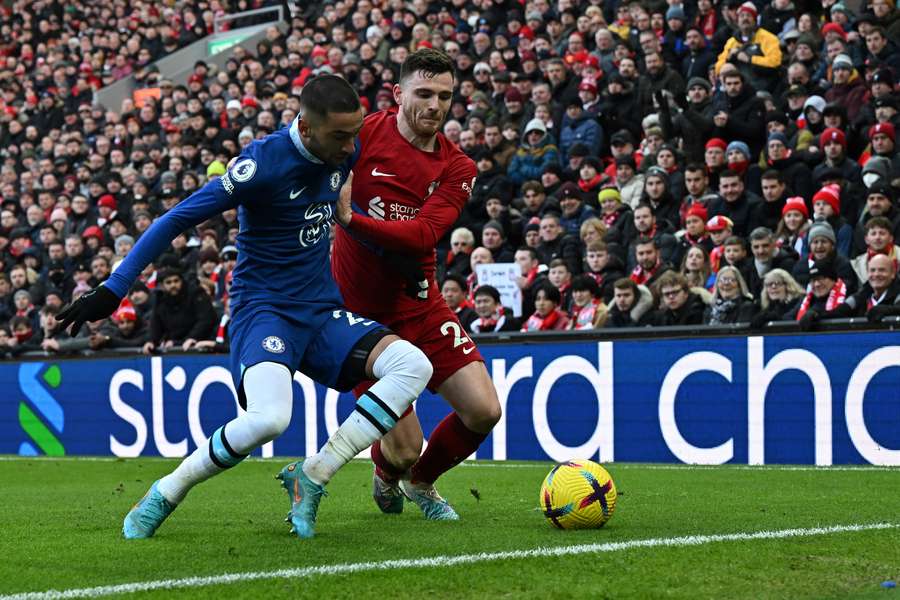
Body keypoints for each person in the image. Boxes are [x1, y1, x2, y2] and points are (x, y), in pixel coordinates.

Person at [55, 76, 434, 540]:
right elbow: (177, 217)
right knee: (270, 419)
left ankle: (313, 473)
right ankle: (166, 491)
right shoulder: (262, 164)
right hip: (265, 311)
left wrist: (400, 261)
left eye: (355, 133)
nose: (351, 146)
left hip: (320, 312)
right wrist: (116, 287)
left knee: (413, 365)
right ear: (307, 128)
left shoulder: (343, 152)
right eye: (340, 136)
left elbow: (342, 214)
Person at [331, 50, 500, 521]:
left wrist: (350, 219)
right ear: (398, 94)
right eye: (424, 93)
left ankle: (423, 484)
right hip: (364, 322)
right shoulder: (362, 135)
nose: (435, 105)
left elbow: (424, 235)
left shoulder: (456, 167)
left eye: (444, 96)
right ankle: (389, 474)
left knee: (484, 410)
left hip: (422, 305)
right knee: (403, 449)